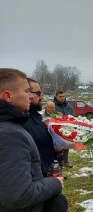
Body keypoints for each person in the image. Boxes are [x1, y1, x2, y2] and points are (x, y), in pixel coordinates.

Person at [0, 68, 67, 212]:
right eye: (26, 91)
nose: (30, 96)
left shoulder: (11, 125)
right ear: (8, 96)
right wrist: (54, 184)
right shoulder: (10, 134)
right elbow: (18, 196)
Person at [23, 78, 57, 177]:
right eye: (38, 93)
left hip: (45, 175)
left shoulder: (36, 117)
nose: (42, 97)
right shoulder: (20, 121)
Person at [54, 90, 74, 168]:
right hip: (57, 129)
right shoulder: (54, 106)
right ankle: (59, 164)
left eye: (63, 96)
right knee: (58, 147)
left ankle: (66, 161)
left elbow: (72, 115)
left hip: (67, 128)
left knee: (66, 145)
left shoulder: (68, 106)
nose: (62, 98)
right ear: (56, 97)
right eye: (60, 96)